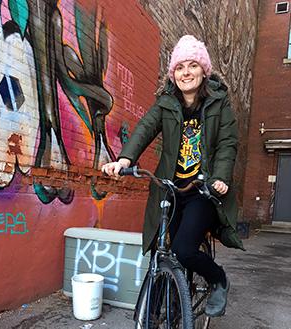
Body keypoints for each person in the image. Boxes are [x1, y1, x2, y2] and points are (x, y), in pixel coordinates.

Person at [102, 35, 244, 317]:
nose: (186, 73)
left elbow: (227, 144)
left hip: (203, 190)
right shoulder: (166, 103)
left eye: (193, 66)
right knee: (160, 249)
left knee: (182, 249)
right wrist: (124, 159)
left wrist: (221, 178)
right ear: (173, 73)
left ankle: (218, 278)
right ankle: (156, 314)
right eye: (180, 67)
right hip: (170, 188)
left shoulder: (219, 103)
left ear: (204, 70)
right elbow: (145, 128)